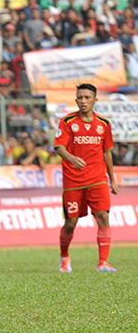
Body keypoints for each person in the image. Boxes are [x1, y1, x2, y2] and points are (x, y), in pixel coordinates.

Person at [53, 83, 118, 273]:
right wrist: (72, 158)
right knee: (71, 222)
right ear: (75, 100)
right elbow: (58, 147)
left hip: (97, 178)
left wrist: (112, 179)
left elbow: (107, 153)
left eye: (87, 98)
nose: (83, 101)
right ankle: (64, 257)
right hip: (73, 181)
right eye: (80, 98)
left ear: (95, 100)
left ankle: (103, 262)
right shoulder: (67, 121)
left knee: (103, 217)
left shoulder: (104, 124)